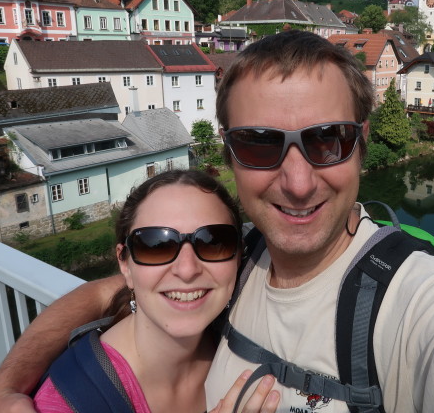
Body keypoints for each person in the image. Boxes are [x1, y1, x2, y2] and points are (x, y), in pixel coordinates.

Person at [0, 30, 434, 413]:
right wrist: (7, 386)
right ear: (231, 154)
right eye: (263, 144)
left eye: (327, 141)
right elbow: (111, 289)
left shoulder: (411, 299)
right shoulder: (224, 260)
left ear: (363, 144)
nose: (297, 181)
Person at [33, 170, 279, 413]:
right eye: (156, 246)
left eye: (213, 242)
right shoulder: (68, 402)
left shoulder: (233, 344)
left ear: (238, 256)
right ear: (125, 264)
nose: (187, 269)